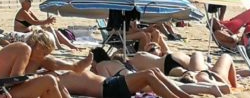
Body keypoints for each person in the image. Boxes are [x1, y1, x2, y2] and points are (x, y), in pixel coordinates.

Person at [22, 28, 197, 98]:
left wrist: (84, 62)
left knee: (154, 73)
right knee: (150, 75)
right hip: (107, 88)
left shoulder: (49, 69)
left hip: (108, 84)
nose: (46, 55)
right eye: (44, 51)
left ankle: (185, 96)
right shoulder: (46, 81)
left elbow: (72, 67)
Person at [90, 47, 227, 97]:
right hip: (135, 75)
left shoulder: (101, 64)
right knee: (175, 84)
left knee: (180, 86)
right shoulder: (115, 62)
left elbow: (106, 84)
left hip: (133, 81)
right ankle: (213, 87)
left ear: (94, 60)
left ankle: (210, 88)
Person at [128, 42, 237, 88]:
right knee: (224, 56)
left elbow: (161, 43)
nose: (153, 47)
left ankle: (233, 86)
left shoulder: (165, 53)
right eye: (151, 49)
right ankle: (234, 86)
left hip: (180, 67)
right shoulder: (138, 56)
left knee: (195, 64)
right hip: (198, 72)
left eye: (156, 47)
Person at [14, 0, 79, 50]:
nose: (31, 2)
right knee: (47, 32)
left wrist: (47, 23)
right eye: (29, 1)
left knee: (51, 30)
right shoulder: (23, 12)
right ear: (23, 2)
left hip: (29, 34)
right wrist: (47, 21)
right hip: (22, 37)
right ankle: (59, 46)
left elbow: (37, 22)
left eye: (31, 0)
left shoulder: (28, 11)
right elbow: (34, 22)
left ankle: (70, 46)